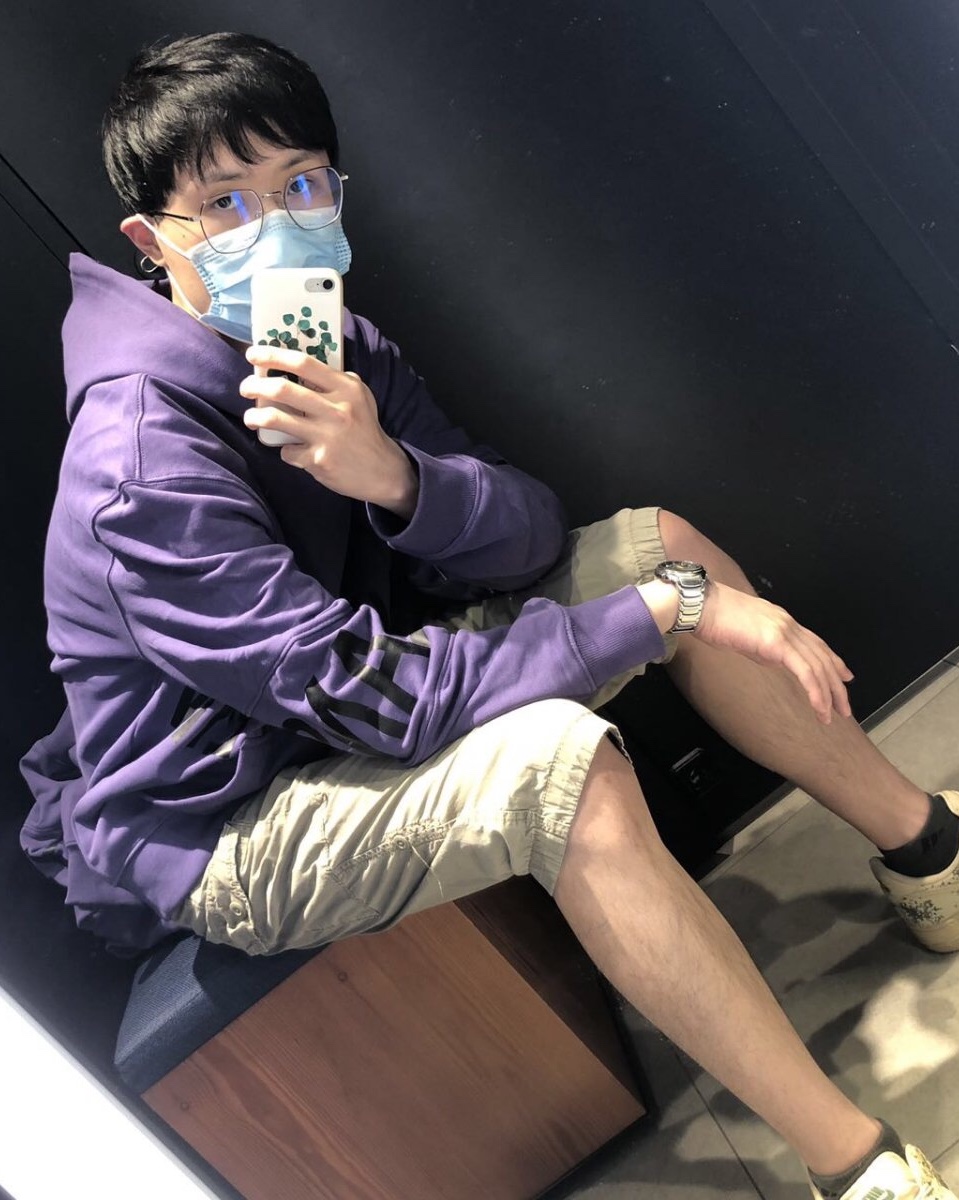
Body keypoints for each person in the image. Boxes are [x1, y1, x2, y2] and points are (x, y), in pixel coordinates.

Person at [19, 31, 958, 1200]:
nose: (278, 225)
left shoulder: (330, 344)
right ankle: (856, 1167)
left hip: (358, 700)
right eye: (226, 202)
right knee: (558, 767)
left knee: (656, 543)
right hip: (226, 821)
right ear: (151, 240)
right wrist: (668, 613)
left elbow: (529, 531)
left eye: (301, 184)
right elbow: (375, 699)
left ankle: (929, 855)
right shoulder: (138, 467)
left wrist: (394, 476)